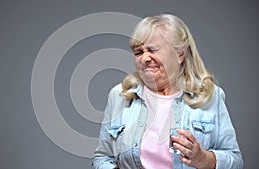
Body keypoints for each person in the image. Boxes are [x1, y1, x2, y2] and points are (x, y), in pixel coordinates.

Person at [92, 14, 243, 169]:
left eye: (152, 50)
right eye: (138, 52)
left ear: (180, 54)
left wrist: (203, 159)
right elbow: (102, 158)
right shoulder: (119, 95)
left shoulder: (210, 95)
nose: (145, 58)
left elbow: (235, 160)